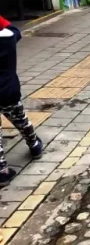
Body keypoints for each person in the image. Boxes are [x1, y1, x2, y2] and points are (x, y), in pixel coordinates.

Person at [0, 16, 43, 186]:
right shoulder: (10, 37)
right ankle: (34, 145)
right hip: (8, 90)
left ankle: (2, 171)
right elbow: (15, 30)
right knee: (21, 120)